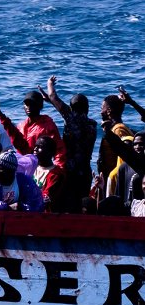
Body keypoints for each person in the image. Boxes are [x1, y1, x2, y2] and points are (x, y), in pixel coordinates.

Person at [41, 76, 96, 213]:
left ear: (71, 108)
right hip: (85, 170)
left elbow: (53, 96)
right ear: (87, 108)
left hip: (69, 170)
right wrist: (53, 102)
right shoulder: (93, 125)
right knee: (81, 203)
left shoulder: (70, 118)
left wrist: (50, 83)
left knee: (66, 204)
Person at [0, 91, 66, 169]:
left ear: (40, 106)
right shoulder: (22, 125)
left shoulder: (48, 126)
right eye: (26, 104)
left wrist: (59, 168)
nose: (28, 107)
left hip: (41, 166)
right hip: (24, 165)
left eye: (32, 104)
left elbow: (59, 149)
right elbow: (17, 141)